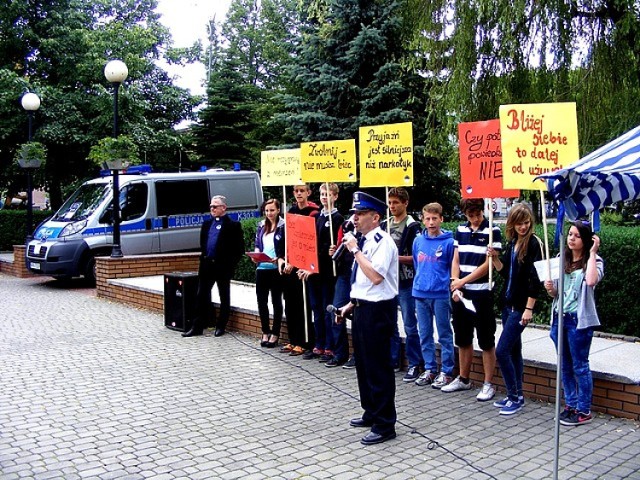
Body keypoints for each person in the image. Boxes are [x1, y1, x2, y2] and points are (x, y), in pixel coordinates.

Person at [337, 191, 399, 446]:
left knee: (378, 367)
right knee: (363, 365)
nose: (355, 218)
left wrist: (354, 251)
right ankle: (371, 411)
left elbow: (376, 277)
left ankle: (385, 423)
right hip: (362, 308)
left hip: (379, 311)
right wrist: (349, 305)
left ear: (375, 217)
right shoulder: (362, 241)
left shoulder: (383, 242)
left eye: (360, 214)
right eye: (354, 214)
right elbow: (362, 283)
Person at [544, 221, 603, 426]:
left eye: (577, 236)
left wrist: (593, 252)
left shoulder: (593, 261)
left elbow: (592, 281)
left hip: (579, 321)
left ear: (586, 240)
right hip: (560, 317)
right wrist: (550, 288)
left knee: (580, 365)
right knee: (565, 366)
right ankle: (570, 404)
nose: (571, 238)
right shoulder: (562, 259)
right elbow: (556, 294)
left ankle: (584, 409)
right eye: (570, 234)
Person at [443, 198, 502, 401]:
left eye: (477, 215)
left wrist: (462, 281)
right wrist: (454, 281)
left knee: (486, 339)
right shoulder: (460, 229)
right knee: (462, 337)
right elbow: (456, 258)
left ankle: (488, 383)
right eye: (471, 216)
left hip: (482, 292)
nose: (475, 219)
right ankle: (463, 378)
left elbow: (489, 265)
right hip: (462, 292)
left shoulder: (493, 230)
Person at [487, 203, 542, 415]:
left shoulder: (534, 244)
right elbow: (506, 273)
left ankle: (513, 396)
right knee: (514, 351)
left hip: (520, 307)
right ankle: (517, 395)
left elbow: (535, 279)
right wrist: (495, 259)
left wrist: (529, 308)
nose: (523, 227)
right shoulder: (513, 242)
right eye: (519, 223)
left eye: (526, 223)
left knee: (502, 351)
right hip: (508, 304)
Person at [183, 195, 244, 338]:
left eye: (215, 206)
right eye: (211, 206)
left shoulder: (233, 225)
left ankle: (221, 326)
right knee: (201, 296)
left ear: (223, 208)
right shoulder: (206, 224)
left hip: (222, 267)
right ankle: (197, 326)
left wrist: (229, 265)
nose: (212, 209)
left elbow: (239, 249)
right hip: (207, 266)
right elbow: (204, 245)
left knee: (224, 296)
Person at [380, 187, 422, 383]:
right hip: (388, 281)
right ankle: (392, 358)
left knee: (410, 324)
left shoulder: (413, 227)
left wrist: (396, 258)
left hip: (406, 280)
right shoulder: (384, 225)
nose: (392, 206)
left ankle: (415, 363)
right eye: (390, 203)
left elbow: (418, 257)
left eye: (395, 202)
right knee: (389, 323)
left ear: (405, 203)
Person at [412, 202, 455, 389]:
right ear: (423, 220)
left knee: (444, 333)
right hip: (420, 293)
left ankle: (447, 371)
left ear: (441, 219)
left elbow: (451, 266)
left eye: (434, 218)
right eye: (427, 219)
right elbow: (416, 263)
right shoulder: (418, 241)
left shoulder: (449, 242)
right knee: (425, 333)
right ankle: (430, 368)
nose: (431, 222)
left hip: (440, 294)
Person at [299, 183, 344, 362]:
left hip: (326, 271)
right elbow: (310, 244)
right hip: (313, 271)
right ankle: (319, 343)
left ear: (335, 197)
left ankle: (329, 347)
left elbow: (329, 248)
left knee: (327, 309)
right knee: (316, 309)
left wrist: (323, 257)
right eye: (322, 194)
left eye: (328, 194)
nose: (324, 197)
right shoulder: (316, 216)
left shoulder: (338, 218)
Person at [277, 184, 319, 356]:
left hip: (303, 267)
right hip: (289, 266)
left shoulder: (313, 213)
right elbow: (287, 240)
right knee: (291, 305)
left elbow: (309, 242)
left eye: (302, 191)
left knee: (303, 306)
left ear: (308, 193)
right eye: (296, 191)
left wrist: (295, 262)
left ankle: (305, 341)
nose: (299, 194)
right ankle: (293, 340)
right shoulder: (291, 212)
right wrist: (283, 259)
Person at [252, 199, 285, 348]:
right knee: (261, 301)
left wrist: (279, 259)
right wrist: (256, 255)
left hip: (275, 269)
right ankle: (265, 331)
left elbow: (285, 248)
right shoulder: (261, 226)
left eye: (272, 210)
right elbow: (258, 244)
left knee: (276, 302)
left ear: (278, 210)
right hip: (262, 268)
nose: (269, 213)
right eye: (266, 211)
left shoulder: (283, 226)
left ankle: (275, 333)